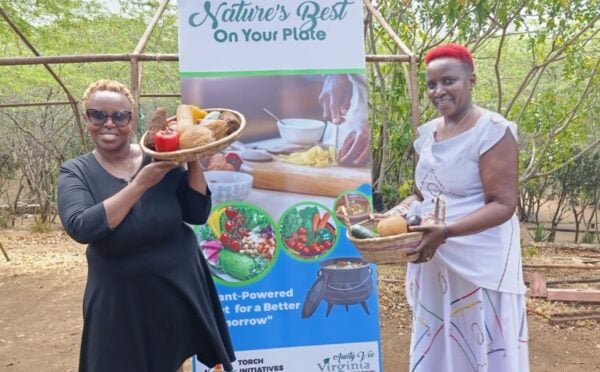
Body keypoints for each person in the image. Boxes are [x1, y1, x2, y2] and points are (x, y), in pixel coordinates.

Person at [57, 79, 236, 372]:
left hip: (176, 287)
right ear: (86, 118)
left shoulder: (160, 157)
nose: (109, 123)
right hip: (119, 298)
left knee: (171, 360)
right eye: (98, 114)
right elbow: (82, 227)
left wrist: (189, 157)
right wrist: (140, 184)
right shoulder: (75, 171)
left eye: (120, 116)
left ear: (132, 119)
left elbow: (196, 212)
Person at [389, 44, 529, 371]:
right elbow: (421, 194)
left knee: (478, 337)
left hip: (480, 262)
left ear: (471, 80)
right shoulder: (428, 135)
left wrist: (447, 231)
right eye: (431, 84)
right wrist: (394, 213)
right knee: (441, 337)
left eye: (448, 81)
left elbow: (503, 204)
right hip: (436, 256)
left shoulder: (492, 130)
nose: (439, 91)